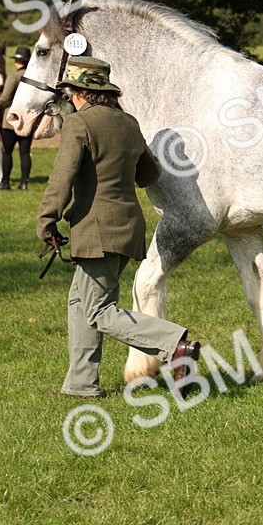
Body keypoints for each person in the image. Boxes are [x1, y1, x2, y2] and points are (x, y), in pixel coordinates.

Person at [37, 55, 200, 399]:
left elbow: (61, 178)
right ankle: (81, 384)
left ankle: (175, 345)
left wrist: (47, 219)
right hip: (128, 227)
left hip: (96, 230)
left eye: (69, 93)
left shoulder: (79, 125)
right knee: (79, 301)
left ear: (79, 93)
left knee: (98, 311)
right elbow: (149, 175)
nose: (69, 99)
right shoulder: (128, 123)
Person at [0, 47, 34, 191]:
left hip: (11, 120)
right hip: (28, 119)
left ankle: (5, 182)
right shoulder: (33, 77)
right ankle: (24, 183)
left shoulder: (13, 77)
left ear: (16, 61)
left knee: (7, 151)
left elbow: (5, 98)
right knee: (24, 152)